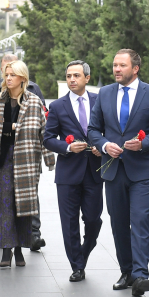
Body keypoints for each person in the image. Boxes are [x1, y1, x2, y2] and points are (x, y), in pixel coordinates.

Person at [87, 49, 149, 296]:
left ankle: (141, 275)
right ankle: (127, 271)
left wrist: (144, 144)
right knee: (119, 223)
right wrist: (104, 145)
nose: (116, 69)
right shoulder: (104, 93)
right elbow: (93, 129)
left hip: (143, 171)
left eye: (122, 65)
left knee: (140, 220)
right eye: (115, 65)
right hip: (113, 170)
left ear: (135, 68)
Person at [0, 60, 55, 268]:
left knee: (23, 205)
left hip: (26, 159)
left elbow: (43, 131)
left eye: (13, 74)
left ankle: (20, 248)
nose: (8, 78)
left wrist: (49, 159)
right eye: (7, 75)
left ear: (23, 78)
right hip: (2, 158)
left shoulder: (33, 101)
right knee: (5, 204)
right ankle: (6, 249)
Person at [43, 60, 103, 282]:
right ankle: (77, 266)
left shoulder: (99, 102)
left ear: (87, 78)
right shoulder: (57, 106)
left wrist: (102, 146)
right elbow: (48, 138)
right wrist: (67, 147)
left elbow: (109, 130)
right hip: (68, 173)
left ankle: (83, 253)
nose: (72, 80)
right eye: (69, 76)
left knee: (93, 220)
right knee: (69, 223)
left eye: (76, 76)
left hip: (94, 171)